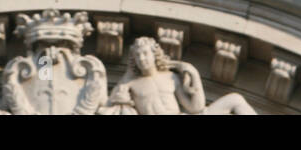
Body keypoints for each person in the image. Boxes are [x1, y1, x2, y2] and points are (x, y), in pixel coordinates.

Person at [104, 36, 255, 115]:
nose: (142, 58)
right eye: (137, 56)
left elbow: (196, 108)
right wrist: (128, 74)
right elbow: (109, 106)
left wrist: (193, 73)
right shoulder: (131, 84)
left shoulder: (171, 77)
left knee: (236, 99)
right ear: (133, 60)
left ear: (154, 54)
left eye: (145, 53)